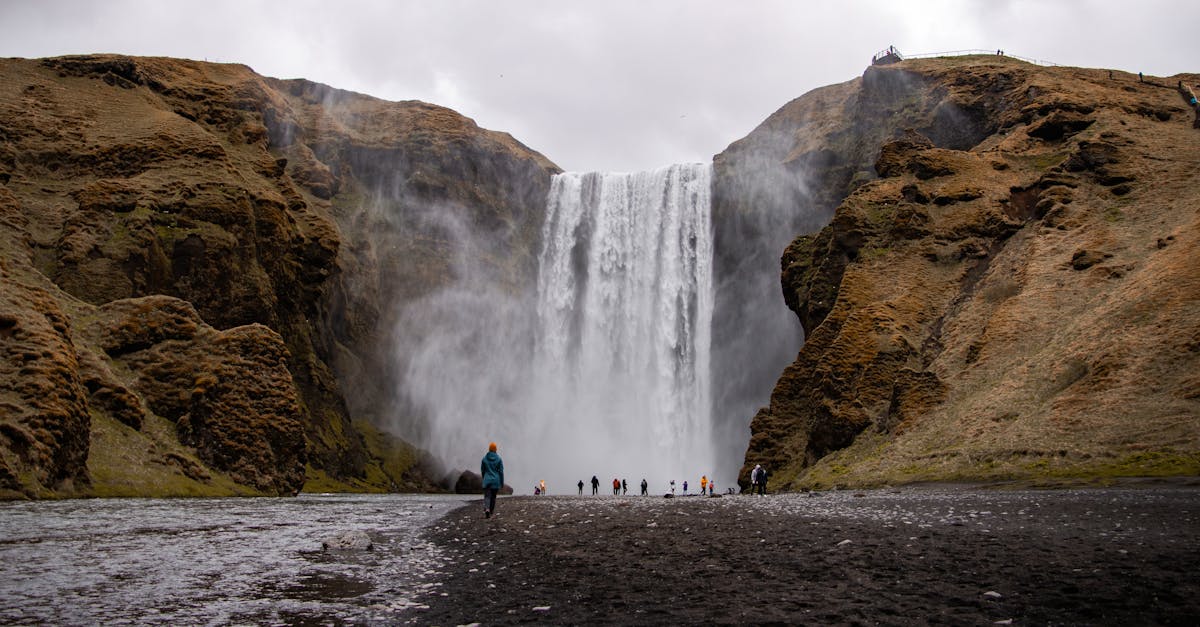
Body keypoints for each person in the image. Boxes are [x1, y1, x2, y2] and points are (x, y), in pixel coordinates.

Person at [481, 442, 504, 519]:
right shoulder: (499, 459)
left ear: (489, 449)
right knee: (493, 497)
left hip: (487, 480)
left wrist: (484, 478)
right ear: (495, 449)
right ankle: (491, 511)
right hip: (496, 481)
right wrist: (502, 482)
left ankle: (487, 509)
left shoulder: (484, 459)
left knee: (487, 496)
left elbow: (483, 471)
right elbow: (501, 472)